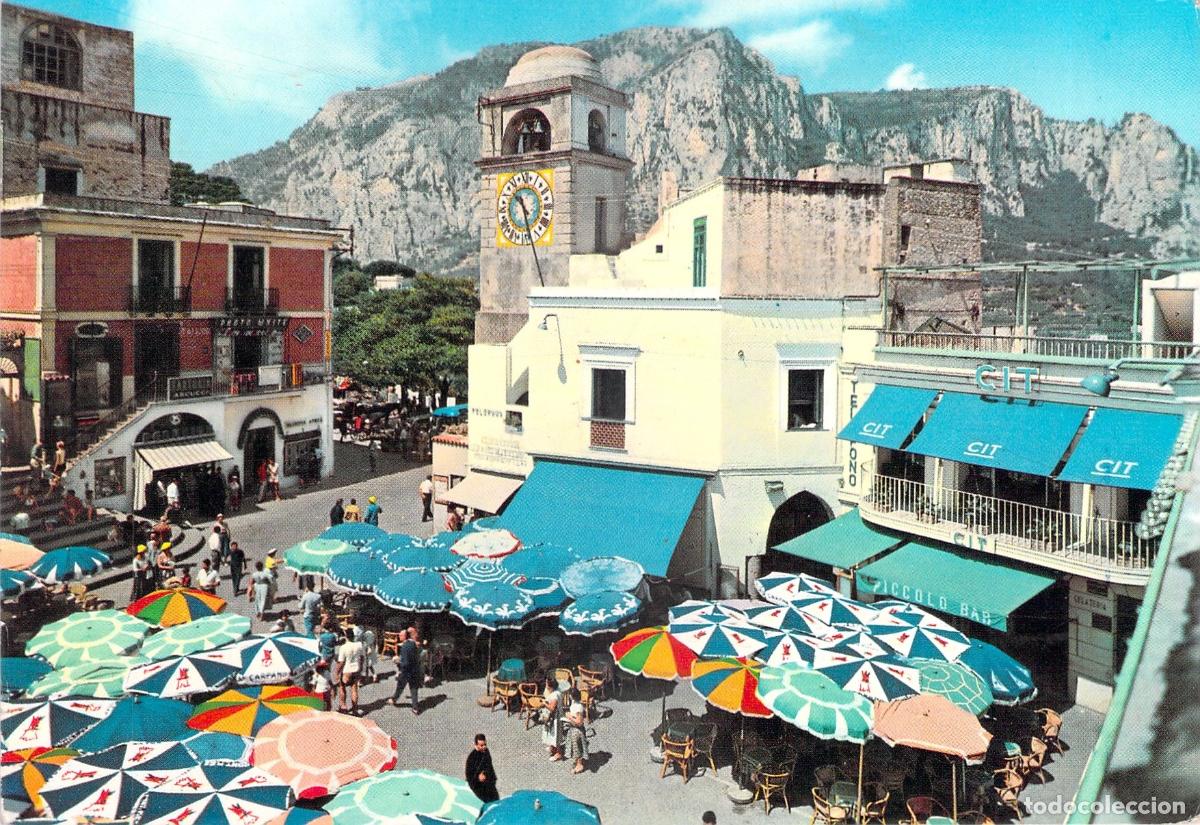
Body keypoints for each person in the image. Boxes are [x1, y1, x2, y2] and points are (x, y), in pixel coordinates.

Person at [389, 629, 421, 714]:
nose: (399, 636)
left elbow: (405, 663)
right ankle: (415, 708)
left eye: (400, 635)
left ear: (404, 636)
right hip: (415, 669)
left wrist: (397, 662)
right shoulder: (412, 644)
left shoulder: (404, 647)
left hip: (406, 671)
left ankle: (394, 699)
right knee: (414, 689)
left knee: (400, 686)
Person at [336, 627, 366, 714]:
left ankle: (343, 707)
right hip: (356, 669)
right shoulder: (359, 645)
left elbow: (341, 662)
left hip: (347, 670)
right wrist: (361, 668)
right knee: (354, 689)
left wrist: (337, 672)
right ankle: (355, 709)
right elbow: (362, 657)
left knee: (342, 688)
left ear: (345, 636)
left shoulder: (343, 647)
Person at [465, 734, 500, 803]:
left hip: (489, 784)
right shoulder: (471, 757)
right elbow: (469, 774)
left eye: (485, 744)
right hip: (478, 787)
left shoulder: (486, 751)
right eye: (481, 745)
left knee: (495, 801)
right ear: (476, 745)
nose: (484, 747)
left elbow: (488, 765)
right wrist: (478, 777)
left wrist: (486, 774)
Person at [540, 677, 564, 760]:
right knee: (551, 733)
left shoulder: (554, 695)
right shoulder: (557, 692)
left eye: (547, 684)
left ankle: (558, 753)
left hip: (555, 718)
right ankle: (553, 747)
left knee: (555, 734)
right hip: (553, 717)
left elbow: (552, 708)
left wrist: (544, 703)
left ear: (550, 686)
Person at [563, 700, 589, 774]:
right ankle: (578, 762)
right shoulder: (574, 705)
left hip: (577, 731)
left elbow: (579, 722)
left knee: (578, 747)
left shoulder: (578, 707)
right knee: (575, 748)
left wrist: (569, 717)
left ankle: (579, 765)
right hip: (573, 729)